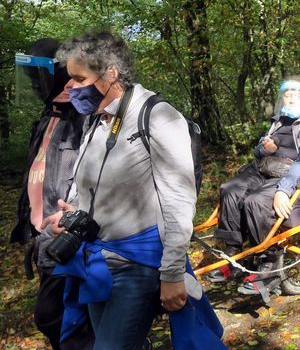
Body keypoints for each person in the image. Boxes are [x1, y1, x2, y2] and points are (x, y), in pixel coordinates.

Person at [40, 31, 224, 350]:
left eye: (78, 78)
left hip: (139, 265)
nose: (68, 86)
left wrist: (171, 274)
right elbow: (89, 184)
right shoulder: (95, 120)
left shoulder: (158, 116)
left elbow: (178, 202)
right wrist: (70, 214)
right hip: (97, 264)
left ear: (110, 73)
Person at [211, 78, 300, 294]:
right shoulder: (280, 120)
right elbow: (257, 152)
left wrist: (283, 190)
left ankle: (268, 265)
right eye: (287, 95)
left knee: (256, 201)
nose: (290, 99)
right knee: (229, 190)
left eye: (296, 96)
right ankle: (233, 253)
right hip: (268, 168)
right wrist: (265, 149)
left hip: (296, 174)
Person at [11, 39, 93, 350]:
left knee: (55, 316)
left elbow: (92, 179)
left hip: (66, 234)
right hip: (43, 233)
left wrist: (73, 221)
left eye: (37, 75)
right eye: (29, 76)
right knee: (57, 319)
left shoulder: (83, 117)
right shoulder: (49, 115)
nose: (33, 83)